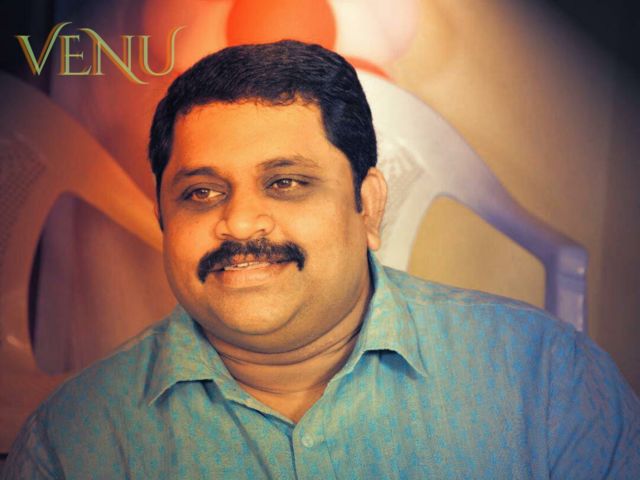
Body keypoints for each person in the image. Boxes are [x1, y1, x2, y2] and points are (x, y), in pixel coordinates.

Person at [3, 40, 639, 479]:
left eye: (285, 182)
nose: (239, 222)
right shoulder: (74, 443)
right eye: (201, 193)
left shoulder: (546, 383)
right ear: (165, 220)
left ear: (368, 207)